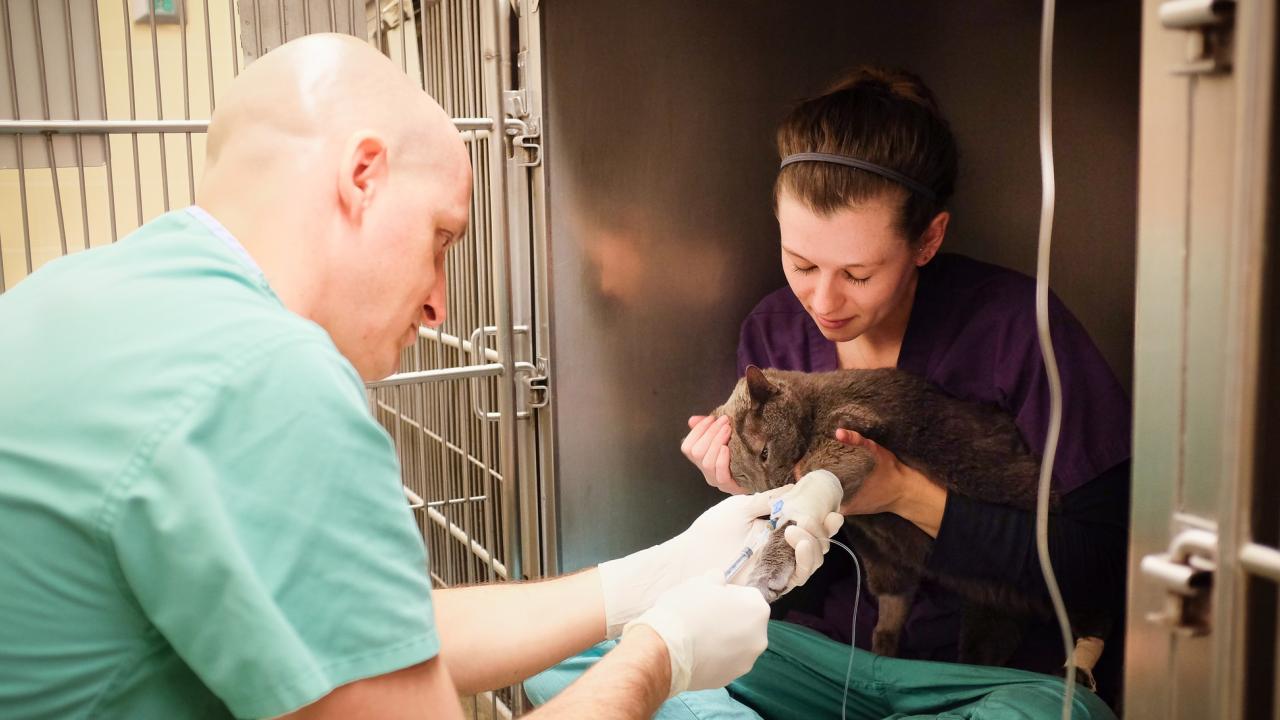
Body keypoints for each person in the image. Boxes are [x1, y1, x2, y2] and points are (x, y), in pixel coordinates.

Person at [0, 34, 843, 719]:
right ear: (362, 175)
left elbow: (372, 642)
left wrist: (647, 578)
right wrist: (662, 658)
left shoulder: (76, 292)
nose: (441, 304)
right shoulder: (266, 380)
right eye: (442, 239)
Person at [529, 67, 1128, 719]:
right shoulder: (775, 331)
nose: (822, 301)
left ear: (928, 239)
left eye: (859, 274)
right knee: (574, 662)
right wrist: (747, 488)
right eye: (802, 264)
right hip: (817, 658)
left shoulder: (1016, 327)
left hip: (979, 681)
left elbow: (1103, 566)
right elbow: (783, 563)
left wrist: (906, 493)